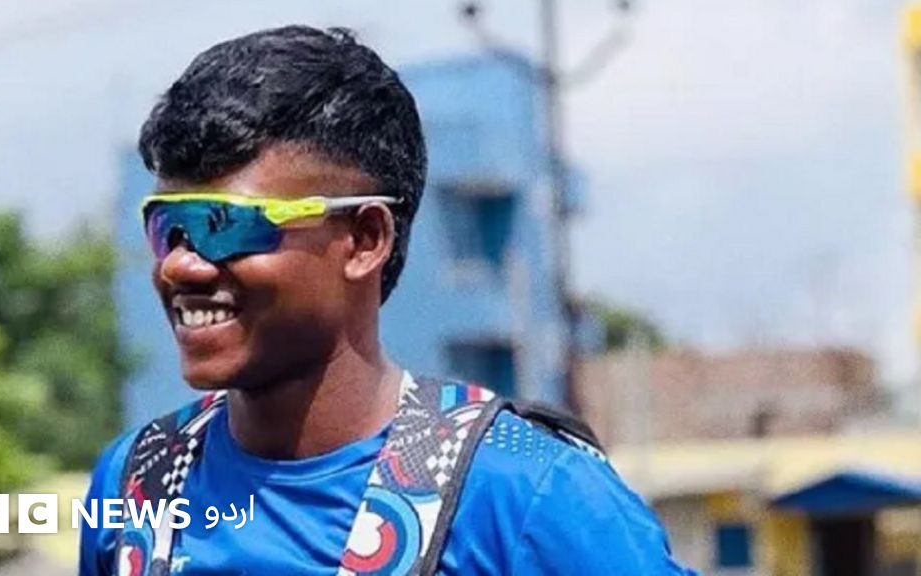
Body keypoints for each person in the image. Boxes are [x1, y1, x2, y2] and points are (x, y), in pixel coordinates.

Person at [80, 25, 693, 575]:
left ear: (365, 239)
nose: (181, 265)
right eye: (169, 228)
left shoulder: (525, 491)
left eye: (224, 225)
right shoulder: (138, 482)